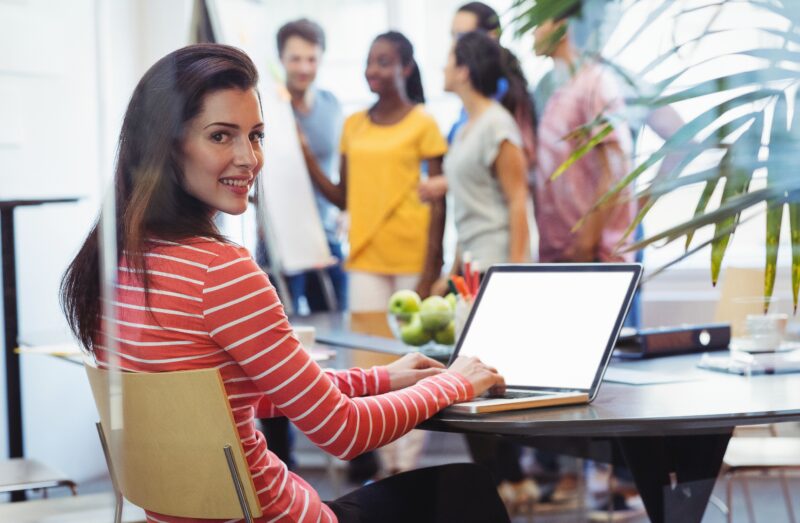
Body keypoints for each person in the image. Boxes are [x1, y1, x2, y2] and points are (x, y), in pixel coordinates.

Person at [59, 43, 509, 523]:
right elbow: (342, 431)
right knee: (468, 487)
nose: (248, 158)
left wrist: (380, 378)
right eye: (220, 136)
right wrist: (454, 383)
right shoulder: (220, 271)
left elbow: (233, 396)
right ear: (165, 146)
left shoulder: (117, 263)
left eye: (255, 135)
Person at [306, 31, 448, 477]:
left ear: (406, 68)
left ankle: (406, 470)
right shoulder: (353, 125)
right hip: (364, 259)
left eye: (384, 62)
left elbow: (439, 200)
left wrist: (431, 270)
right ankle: (388, 471)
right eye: (370, 61)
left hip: (411, 261)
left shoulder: (424, 122)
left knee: (416, 365)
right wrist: (305, 157)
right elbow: (343, 195)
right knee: (372, 371)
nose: (373, 70)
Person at [437, 30, 539, 516]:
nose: (442, 67)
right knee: (470, 375)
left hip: (500, 259)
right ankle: (503, 483)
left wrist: (516, 274)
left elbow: (518, 201)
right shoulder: (465, 126)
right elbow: (466, 206)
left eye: (448, 59)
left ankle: (509, 481)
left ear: (465, 69)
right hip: (473, 263)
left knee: (487, 378)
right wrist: (450, 266)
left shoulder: (498, 124)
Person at [277, 18, 348, 314]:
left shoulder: (332, 106)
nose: (304, 68)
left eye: (311, 59)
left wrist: (348, 211)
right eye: (295, 59)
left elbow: (345, 168)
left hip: (325, 235)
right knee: (282, 325)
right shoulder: (268, 107)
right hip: (281, 238)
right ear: (281, 59)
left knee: (337, 320)